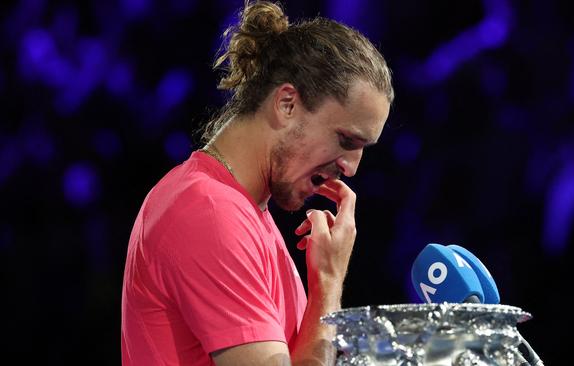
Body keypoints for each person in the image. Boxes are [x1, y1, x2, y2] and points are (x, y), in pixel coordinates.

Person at [120, 1, 393, 365]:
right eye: (346, 140)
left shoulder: (241, 212)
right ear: (286, 104)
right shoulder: (210, 212)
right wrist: (328, 282)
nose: (352, 167)